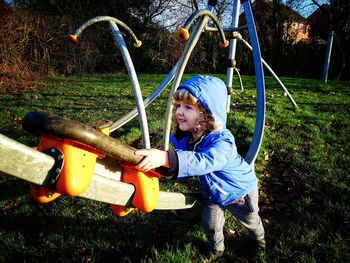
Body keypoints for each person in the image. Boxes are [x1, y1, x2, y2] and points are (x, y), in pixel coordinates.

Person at [135, 75, 265, 262]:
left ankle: (259, 239)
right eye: (178, 106)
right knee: (210, 224)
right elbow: (185, 164)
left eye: (188, 107)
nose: (179, 112)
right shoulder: (190, 138)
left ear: (207, 113)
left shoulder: (223, 141)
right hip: (213, 193)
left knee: (251, 221)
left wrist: (166, 157)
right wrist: (164, 169)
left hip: (240, 193)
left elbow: (204, 161)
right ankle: (216, 248)